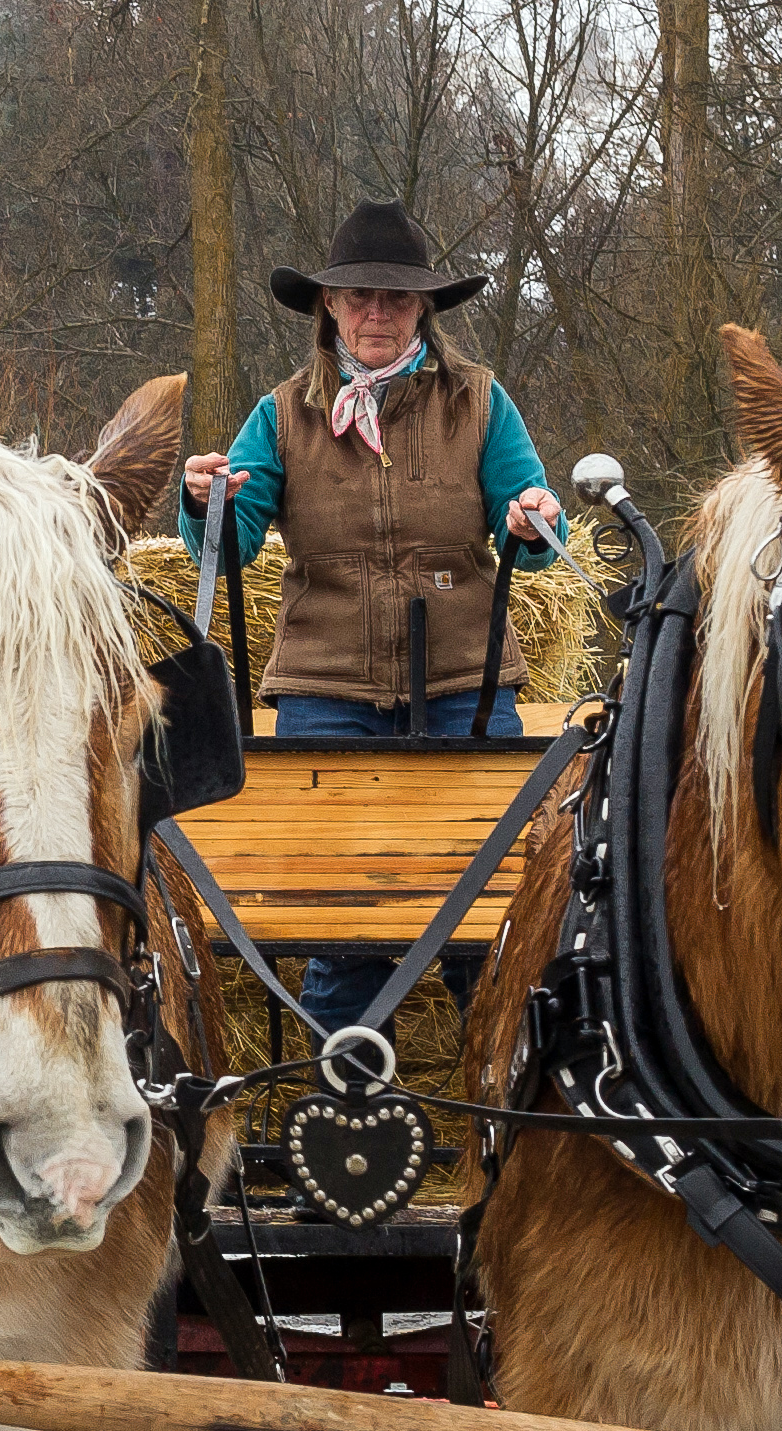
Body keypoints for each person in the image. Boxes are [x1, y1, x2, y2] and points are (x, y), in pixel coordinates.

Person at [181, 197, 566, 1039]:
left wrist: (535, 518)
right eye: (359, 296)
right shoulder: (282, 415)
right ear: (328, 304)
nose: (377, 313)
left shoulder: (480, 404)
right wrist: (203, 499)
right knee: (341, 928)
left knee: (492, 923)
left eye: (396, 298)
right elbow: (231, 545)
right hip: (327, 695)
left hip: (467, 689)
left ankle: (514, 1109)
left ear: (424, 306)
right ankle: (347, 1125)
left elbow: (535, 532)